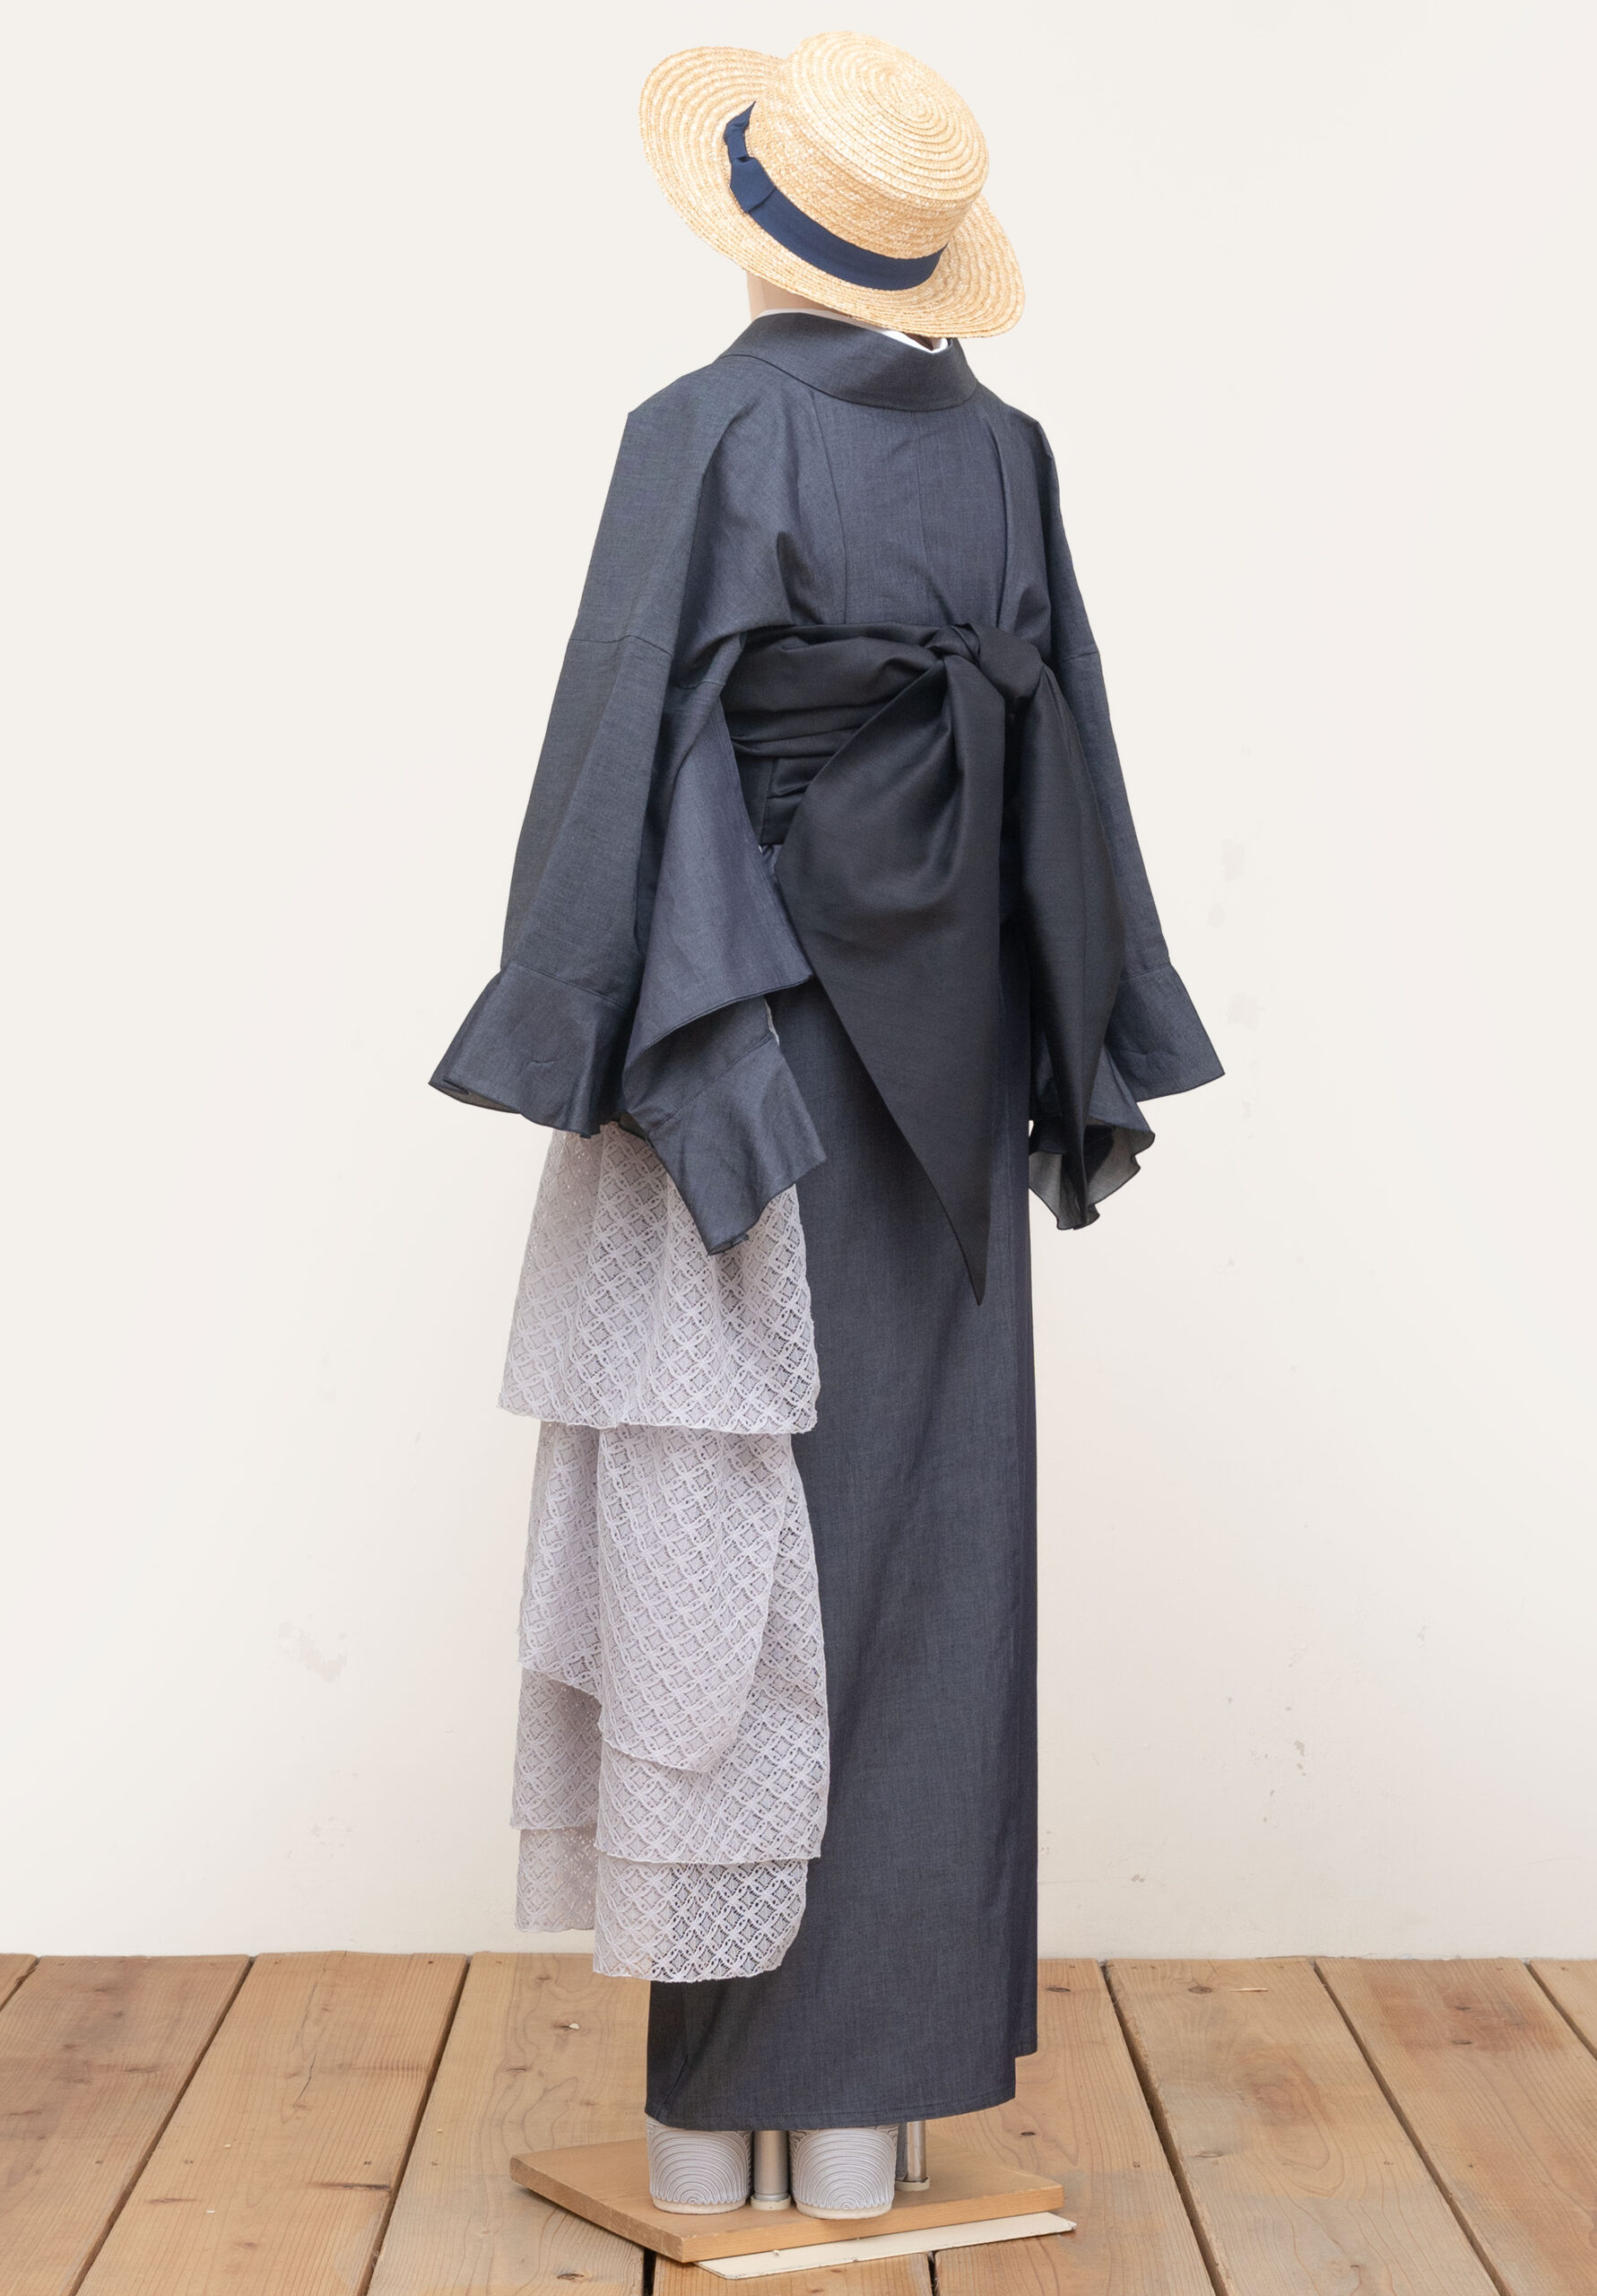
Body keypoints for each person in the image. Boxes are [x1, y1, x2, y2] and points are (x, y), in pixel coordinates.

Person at [432, 31, 1221, 2219]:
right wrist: (1089, 1025)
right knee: (928, 1533)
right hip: (954, 1040)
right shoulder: (1009, 453)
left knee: (731, 1540)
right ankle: (867, 2137)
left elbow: (622, 732)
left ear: (756, 227)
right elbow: (1068, 739)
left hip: (753, 1023)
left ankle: (707, 2139)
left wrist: (585, 1023)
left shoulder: (703, 428)